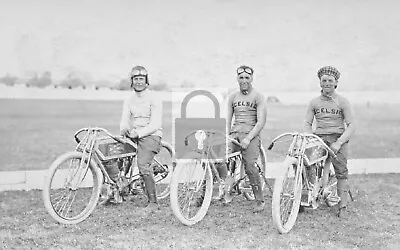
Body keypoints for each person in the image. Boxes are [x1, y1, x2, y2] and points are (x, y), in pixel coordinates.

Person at [304, 66, 356, 218]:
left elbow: (352, 125)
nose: (327, 83)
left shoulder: (342, 101)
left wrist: (339, 142)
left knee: (341, 171)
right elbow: (307, 122)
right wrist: (310, 136)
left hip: (337, 139)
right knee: (306, 164)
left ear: (336, 83)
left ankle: (343, 206)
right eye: (324, 80)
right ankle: (305, 197)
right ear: (320, 83)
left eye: (330, 81)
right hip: (319, 138)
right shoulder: (314, 102)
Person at [216, 65, 267, 212]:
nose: (244, 80)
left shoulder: (258, 97)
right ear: (237, 78)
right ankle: (228, 187)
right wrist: (225, 136)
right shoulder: (233, 97)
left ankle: (259, 200)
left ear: (252, 79)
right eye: (241, 77)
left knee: (250, 166)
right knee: (219, 158)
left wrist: (248, 138)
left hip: (251, 135)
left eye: (247, 77)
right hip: (235, 133)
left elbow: (260, 122)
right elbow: (228, 119)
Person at [120, 65, 163, 211]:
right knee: (116, 156)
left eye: (141, 79)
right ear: (131, 81)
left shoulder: (154, 98)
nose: (139, 82)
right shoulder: (129, 99)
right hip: (134, 134)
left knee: (143, 165)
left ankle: (153, 202)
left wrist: (138, 134)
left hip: (151, 135)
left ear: (146, 81)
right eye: (136, 79)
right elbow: (125, 118)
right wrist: (124, 129)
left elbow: (156, 123)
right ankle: (116, 192)